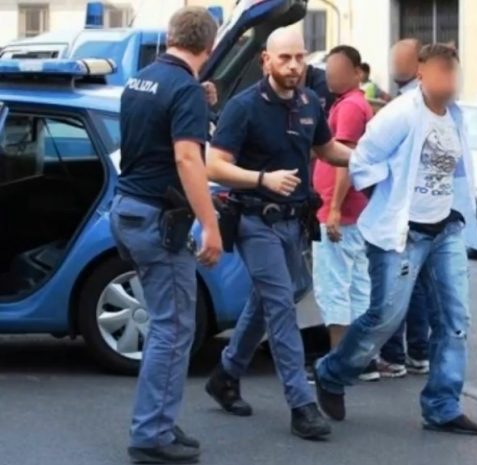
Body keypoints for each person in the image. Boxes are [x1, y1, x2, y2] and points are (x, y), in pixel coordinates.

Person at [314, 43, 477, 436]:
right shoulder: (401, 114)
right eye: (440, 72)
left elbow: (459, 173)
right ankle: (332, 373)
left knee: (455, 320)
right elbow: (362, 159)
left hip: (445, 229)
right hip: (402, 232)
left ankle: (442, 406)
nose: (449, 81)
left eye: (453, 73)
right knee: (384, 318)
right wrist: (386, 198)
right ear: (422, 74)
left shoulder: (455, 116)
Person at [204, 27, 352, 440]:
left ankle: (226, 373)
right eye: (284, 58)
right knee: (282, 308)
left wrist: (369, 157)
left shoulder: (309, 103)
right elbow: (214, 165)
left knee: (278, 295)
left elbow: (327, 150)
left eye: (299, 57)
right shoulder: (243, 107)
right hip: (255, 221)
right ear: (265, 61)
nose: (293, 66)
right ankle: (301, 405)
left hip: (294, 222)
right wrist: (262, 179)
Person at [112, 7, 222, 464]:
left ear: (170, 37)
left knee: (166, 324)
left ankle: (157, 418)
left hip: (127, 210)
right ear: (209, 46)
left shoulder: (141, 80)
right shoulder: (184, 89)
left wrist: (199, 99)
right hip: (158, 219)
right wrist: (210, 224)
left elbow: (154, 131)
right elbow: (186, 159)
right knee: (173, 329)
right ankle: (152, 434)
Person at [312, 45, 378, 382]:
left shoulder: (351, 106)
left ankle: (340, 363)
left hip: (340, 213)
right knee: (356, 287)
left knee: (335, 286)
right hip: (353, 212)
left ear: (357, 73)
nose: (331, 76)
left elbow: (346, 162)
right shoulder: (350, 103)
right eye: (329, 69)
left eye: (338, 70)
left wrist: (335, 209)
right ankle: (361, 360)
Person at [377, 37, 432, 378]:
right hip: (422, 208)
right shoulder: (422, 100)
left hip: (407, 206)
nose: (394, 66)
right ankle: (419, 352)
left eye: (400, 60)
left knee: (397, 281)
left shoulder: (412, 104)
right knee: (417, 282)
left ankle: (394, 355)